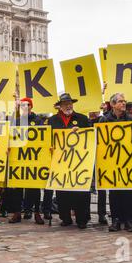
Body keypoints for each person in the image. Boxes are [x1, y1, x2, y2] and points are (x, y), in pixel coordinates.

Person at [47, 93, 91, 229]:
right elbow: (47, 138)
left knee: (81, 192)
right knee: (62, 192)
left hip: (79, 162)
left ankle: (82, 219)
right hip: (60, 161)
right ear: (59, 106)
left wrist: (82, 132)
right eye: (65, 103)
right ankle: (65, 217)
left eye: (70, 103)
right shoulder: (52, 121)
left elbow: (90, 137)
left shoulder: (83, 119)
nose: (69, 105)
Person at [99, 93, 132, 232]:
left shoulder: (131, 119)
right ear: (113, 104)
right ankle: (115, 219)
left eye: (124, 101)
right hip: (111, 163)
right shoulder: (104, 120)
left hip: (127, 162)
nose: (124, 103)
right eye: (121, 101)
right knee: (114, 192)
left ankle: (128, 220)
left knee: (128, 192)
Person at [5, 98, 45, 225]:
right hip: (19, 159)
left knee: (34, 188)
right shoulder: (16, 122)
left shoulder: (38, 120)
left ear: (31, 106)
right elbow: (11, 138)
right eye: (22, 105)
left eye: (27, 105)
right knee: (17, 187)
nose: (24, 107)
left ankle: (36, 212)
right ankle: (17, 212)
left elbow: (43, 138)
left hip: (33, 159)